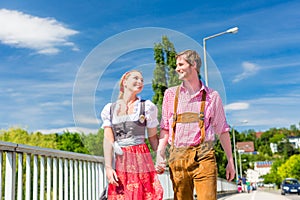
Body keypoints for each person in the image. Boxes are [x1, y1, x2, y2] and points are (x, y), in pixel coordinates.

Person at [156, 49, 235, 200]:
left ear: (193, 65)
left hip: (204, 156)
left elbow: (223, 130)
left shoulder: (212, 96)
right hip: (177, 156)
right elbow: (165, 128)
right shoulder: (170, 95)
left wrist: (230, 160)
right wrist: (160, 153)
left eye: (181, 64)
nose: (177, 68)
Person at [101, 70, 164, 200]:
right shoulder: (110, 109)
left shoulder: (147, 106)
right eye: (136, 78)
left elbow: (152, 137)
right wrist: (108, 167)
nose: (140, 82)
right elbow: (108, 140)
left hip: (140, 157)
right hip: (120, 159)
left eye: (142, 80)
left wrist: (159, 157)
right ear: (125, 82)